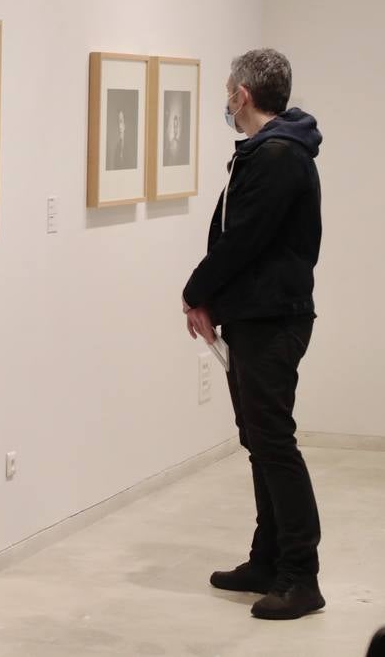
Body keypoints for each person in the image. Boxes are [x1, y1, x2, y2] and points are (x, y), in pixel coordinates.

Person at [182, 48, 324, 621]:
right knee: (259, 440)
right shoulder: (268, 152)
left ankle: (300, 575)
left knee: (274, 443)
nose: (226, 101)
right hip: (258, 316)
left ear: (242, 94)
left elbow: (243, 240)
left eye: (227, 91)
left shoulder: (278, 156)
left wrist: (196, 291)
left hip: (272, 319)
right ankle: (267, 559)